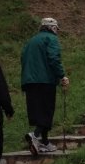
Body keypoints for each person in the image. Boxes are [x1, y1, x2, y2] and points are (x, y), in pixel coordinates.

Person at [21, 18, 69, 155]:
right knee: (47, 110)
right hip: (45, 81)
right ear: (53, 28)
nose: (57, 32)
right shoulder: (51, 39)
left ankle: (45, 142)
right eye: (56, 29)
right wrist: (62, 76)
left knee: (38, 112)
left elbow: (23, 58)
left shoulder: (31, 41)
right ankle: (35, 135)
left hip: (29, 82)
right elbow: (54, 58)